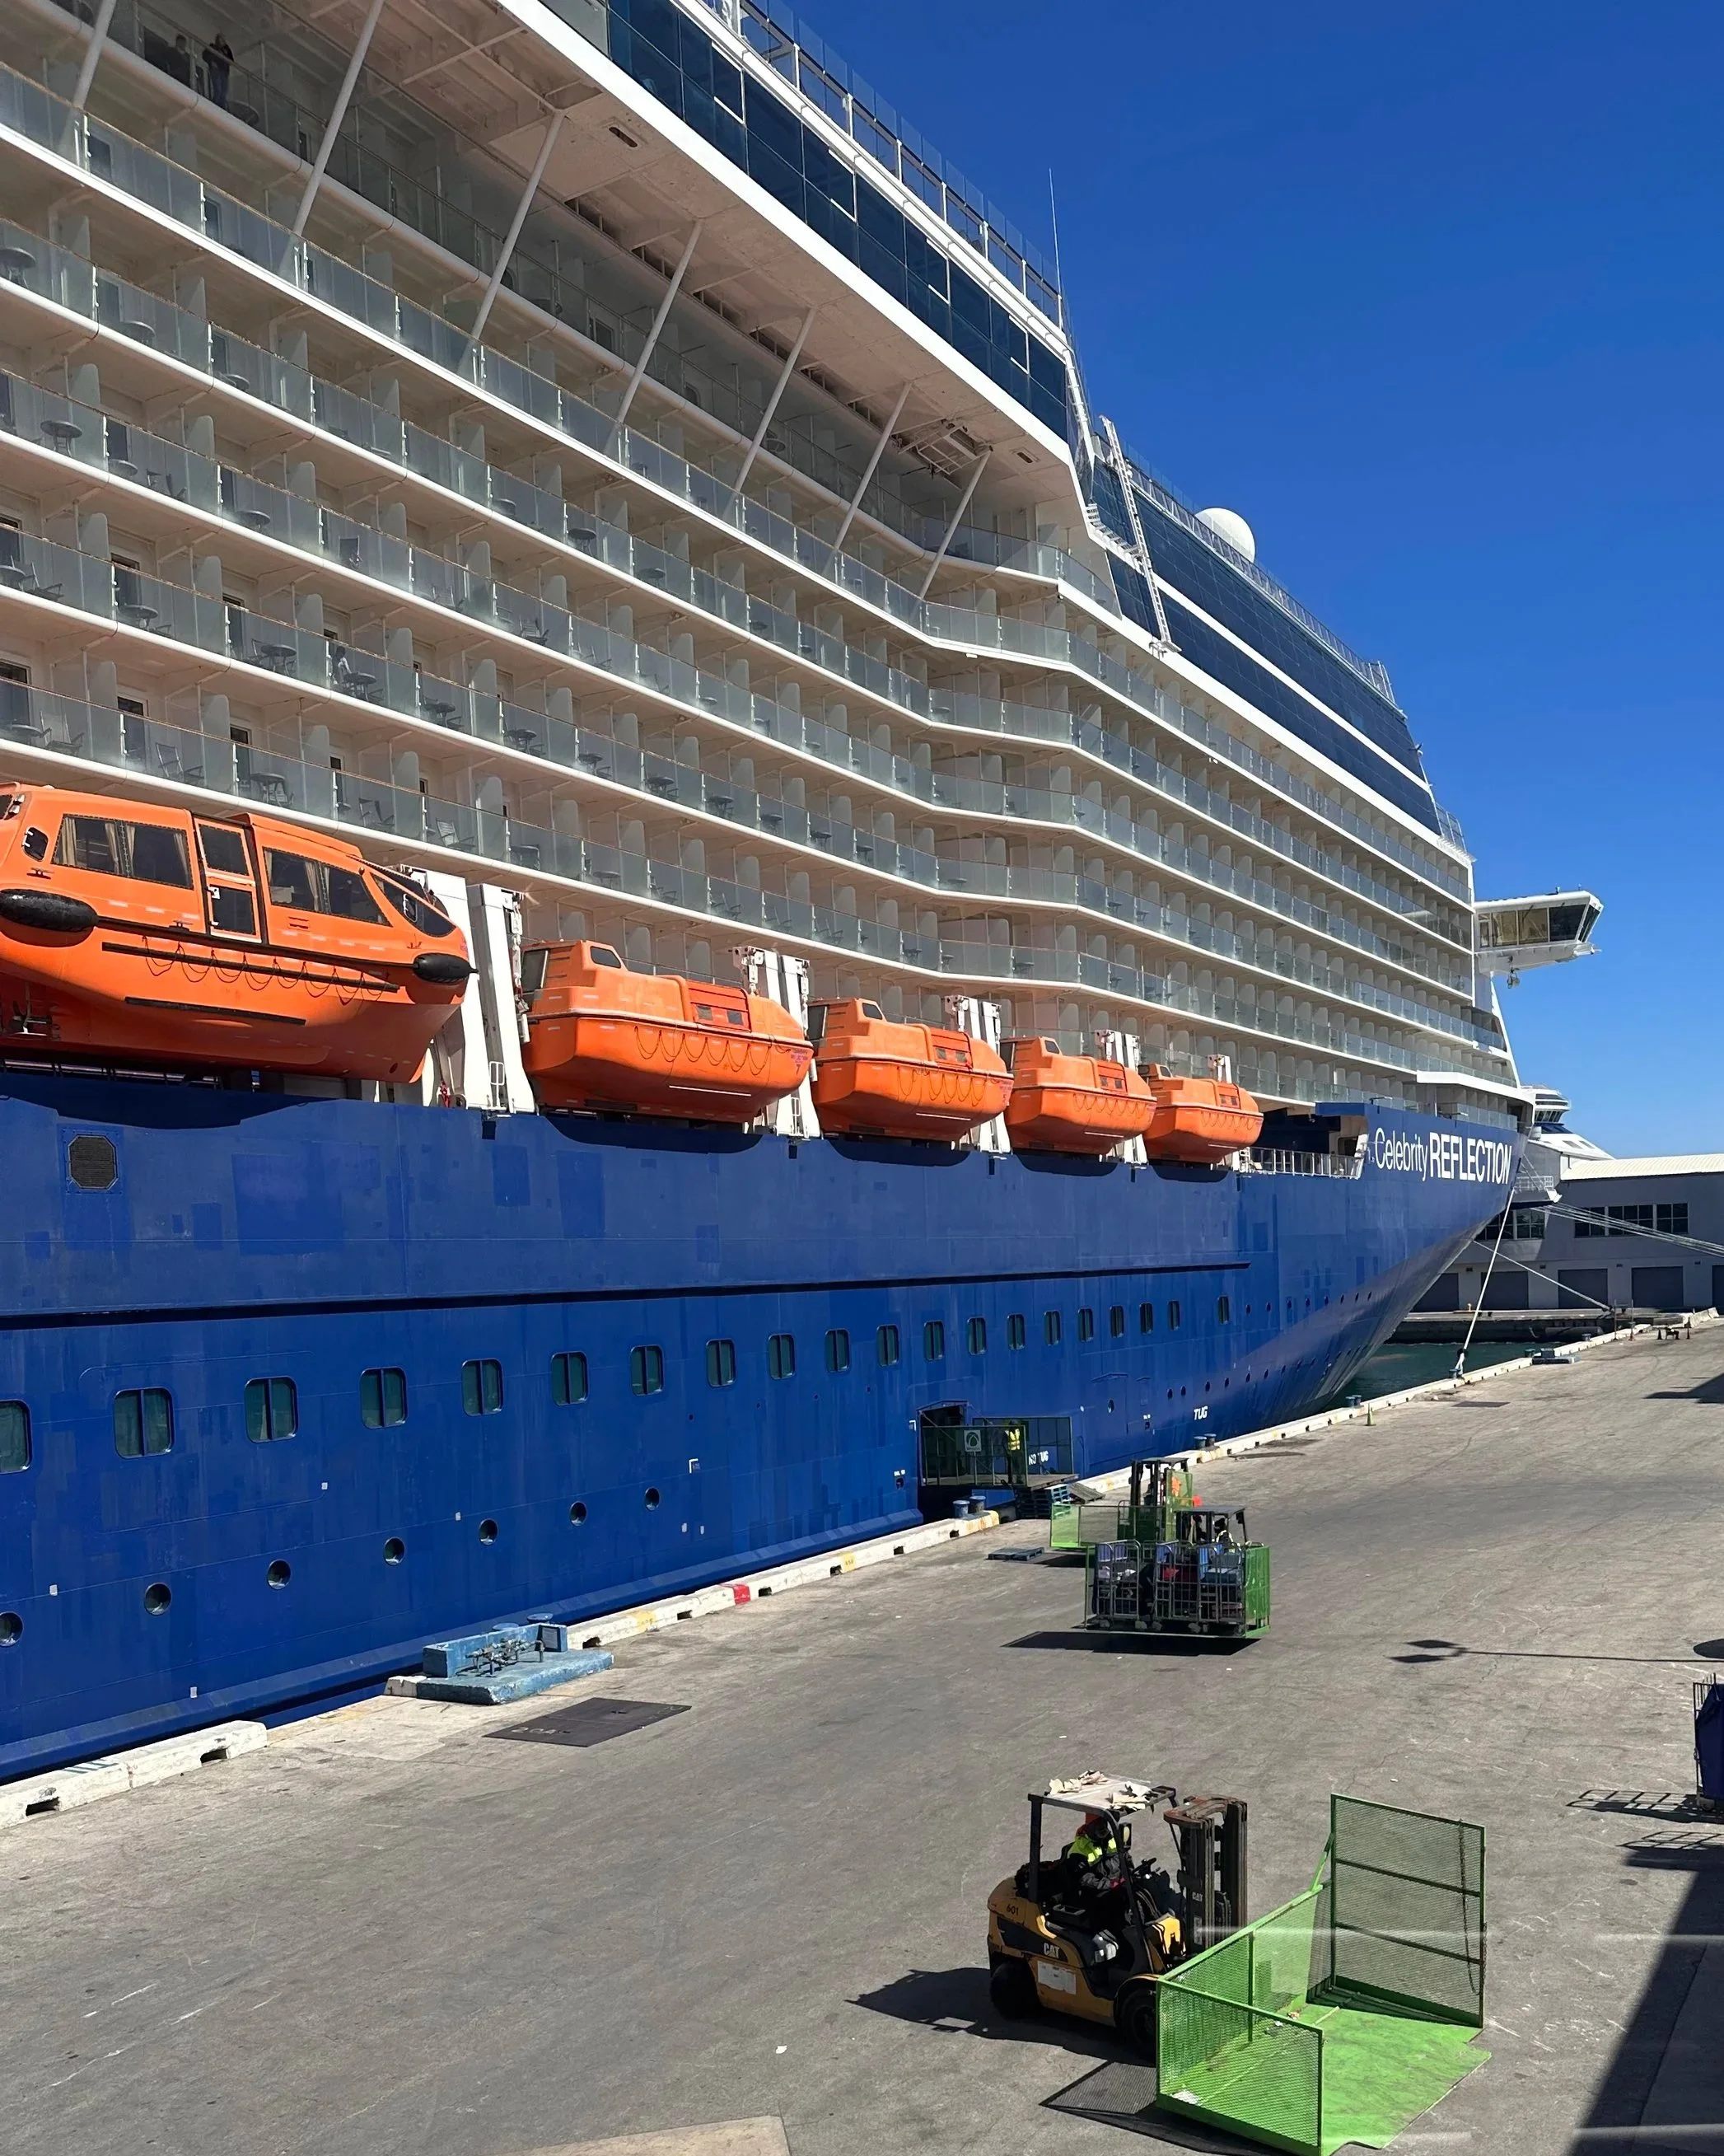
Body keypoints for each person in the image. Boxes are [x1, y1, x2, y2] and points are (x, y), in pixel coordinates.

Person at [203, 34, 233, 110]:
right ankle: (216, 106)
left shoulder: (226, 49)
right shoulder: (212, 47)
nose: (221, 41)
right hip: (216, 71)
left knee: (224, 92)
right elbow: (205, 55)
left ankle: (222, 107)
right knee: (218, 90)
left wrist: (225, 53)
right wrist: (211, 62)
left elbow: (231, 61)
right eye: (220, 39)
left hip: (224, 72)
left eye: (223, 40)